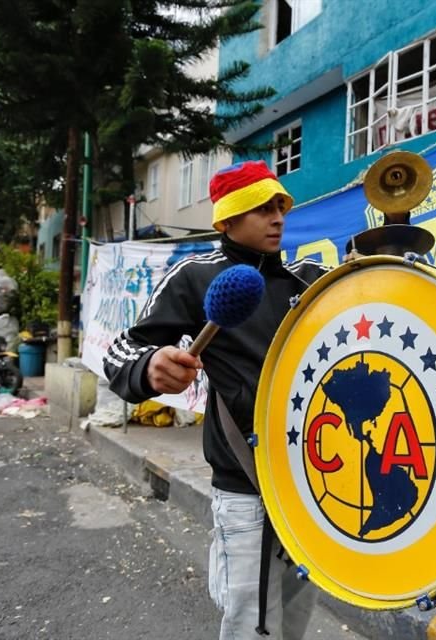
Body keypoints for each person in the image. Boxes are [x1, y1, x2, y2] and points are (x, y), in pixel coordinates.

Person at [104, 160, 328, 639]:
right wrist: (150, 365)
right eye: (261, 209)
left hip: (314, 482)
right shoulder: (196, 276)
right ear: (226, 221)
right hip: (244, 482)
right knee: (249, 621)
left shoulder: (310, 279)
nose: (277, 218)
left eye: (280, 207)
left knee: (295, 616)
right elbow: (124, 349)